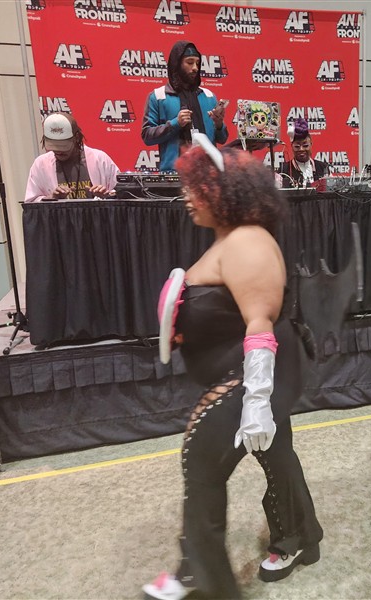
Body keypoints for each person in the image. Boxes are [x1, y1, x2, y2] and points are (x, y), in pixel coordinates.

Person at [143, 136, 323, 600]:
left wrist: (257, 403)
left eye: (196, 187)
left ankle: (203, 579)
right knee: (276, 453)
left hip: (254, 374)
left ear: (225, 192)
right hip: (247, 369)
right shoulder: (229, 240)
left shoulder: (246, 242)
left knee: (201, 459)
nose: (187, 196)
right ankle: (300, 537)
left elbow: (260, 323)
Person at [141, 41, 228, 172]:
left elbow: (223, 138)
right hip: (174, 175)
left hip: (209, 175)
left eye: (197, 63)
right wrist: (175, 123)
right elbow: (147, 136)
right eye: (190, 62)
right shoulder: (158, 96)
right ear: (177, 64)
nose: (195, 68)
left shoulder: (209, 96)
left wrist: (219, 124)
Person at [24, 112, 119, 202]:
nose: (58, 151)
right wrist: (52, 198)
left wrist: (107, 196)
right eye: (53, 146)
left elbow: (122, 194)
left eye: (63, 146)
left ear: (76, 137)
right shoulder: (40, 164)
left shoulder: (100, 159)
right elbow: (31, 203)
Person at [277, 118, 329, 188]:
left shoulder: (323, 167)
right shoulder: (284, 169)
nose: (301, 149)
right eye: (297, 146)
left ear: (311, 144)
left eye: (305, 146)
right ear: (291, 146)